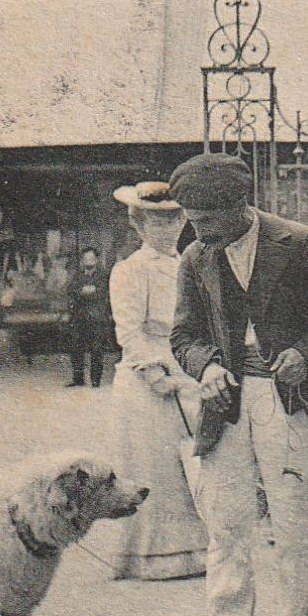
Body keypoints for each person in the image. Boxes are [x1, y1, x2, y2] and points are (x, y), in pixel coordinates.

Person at [169, 153, 308, 616]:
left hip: (293, 401)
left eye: (206, 219)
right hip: (226, 407)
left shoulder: (303, 246)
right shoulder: (195, 257)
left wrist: (307, 352)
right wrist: (205, 365)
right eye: (191, 217)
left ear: (239, 207)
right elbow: (182, 336)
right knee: (226, 531)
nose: (196, 229)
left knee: (296, 529)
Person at [108, 182, 205, 580]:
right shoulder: (130, 270)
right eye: (156, 219)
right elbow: (128, 331)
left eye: (174, 218)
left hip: (188, 372)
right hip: (148, 378)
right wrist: (153, 372)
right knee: (156, 466)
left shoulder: (191, 263)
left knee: (193, 464)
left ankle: (198, 552)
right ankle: (152, 558)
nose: (166, 227)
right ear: (138, 222)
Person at [66, 246, 111, 387]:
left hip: (97, 317)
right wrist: (87, 290)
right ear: (82, 260)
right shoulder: (77, 275)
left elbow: (101, 292)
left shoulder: (103, 275)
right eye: (85, 258)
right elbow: (71, 290)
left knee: (97, 349)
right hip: (79, 317)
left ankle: (95, 380)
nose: (88, 260)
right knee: (76, 347)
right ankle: (78, 379)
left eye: (91, 258)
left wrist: (85, 291)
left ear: (97, 260)